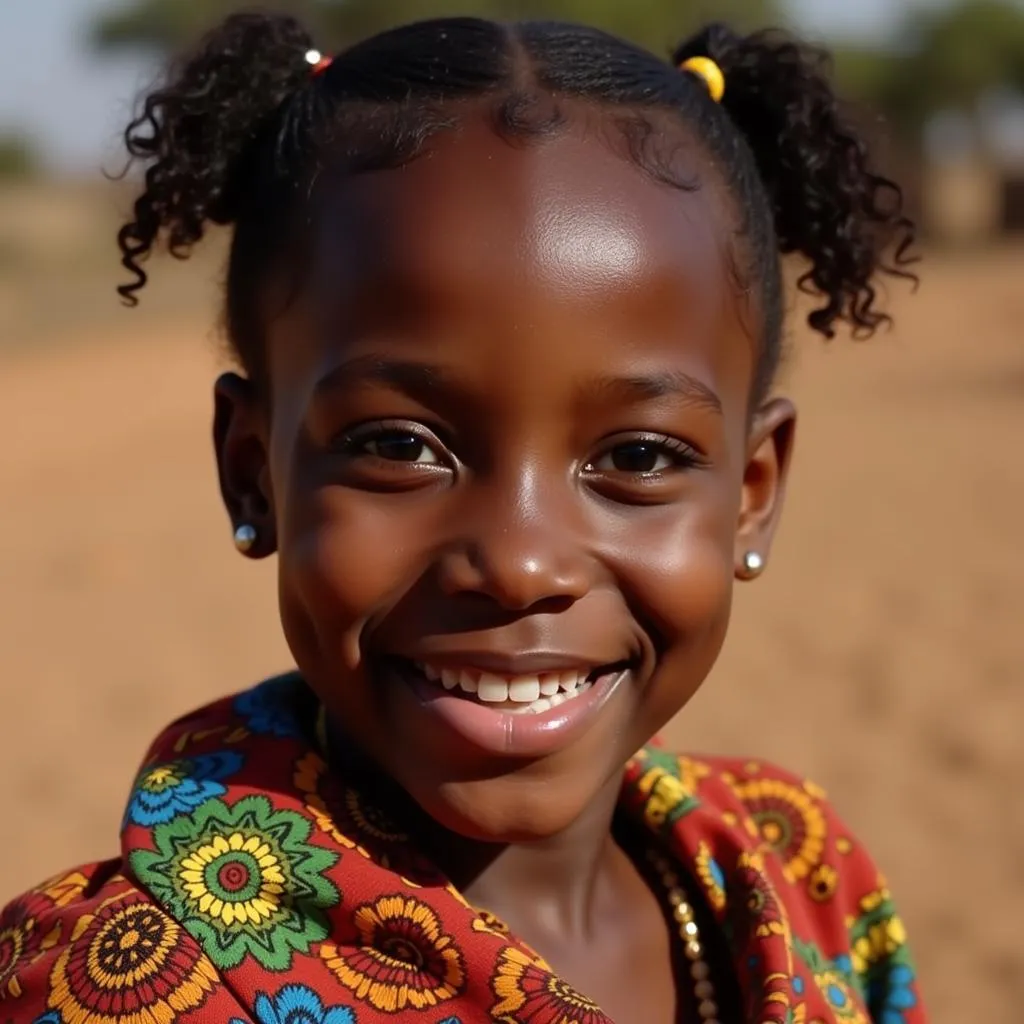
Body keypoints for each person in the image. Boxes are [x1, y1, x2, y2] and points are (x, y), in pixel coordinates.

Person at [0, 11, 926, 1024]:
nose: (520, 563)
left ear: (752, 492)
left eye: (637, 458)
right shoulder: (108, 991)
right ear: (252, 470)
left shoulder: (803, 884)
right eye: (399, 447)